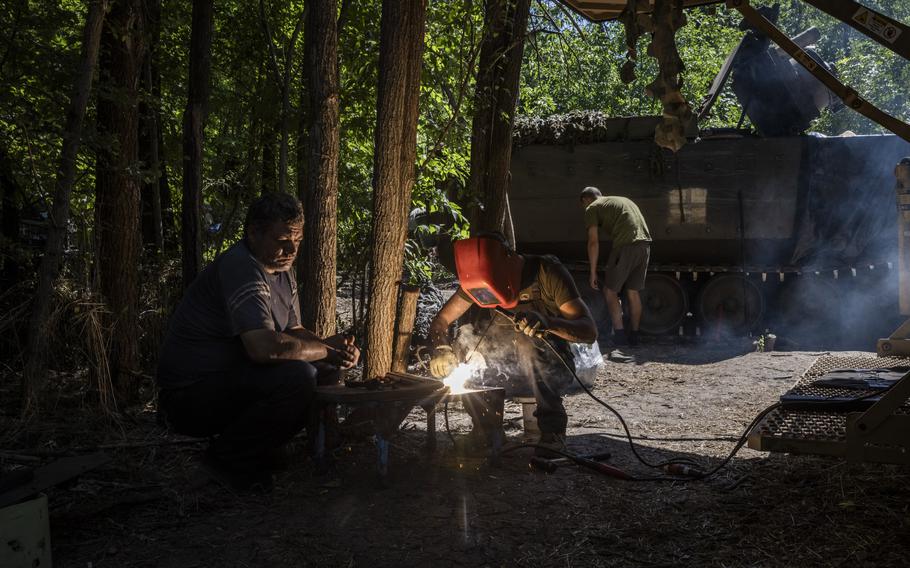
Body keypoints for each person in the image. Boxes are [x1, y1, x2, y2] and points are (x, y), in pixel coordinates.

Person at [156, 193, 359, 490]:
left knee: (323, 367)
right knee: (299, 376)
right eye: (282, 240)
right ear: (254, 233)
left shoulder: (281, 270)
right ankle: (225, 461)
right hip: (188, 397)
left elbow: (295, 331)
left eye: (298, 241)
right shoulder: (242, 267)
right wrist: (324, 350)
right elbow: (265, 348)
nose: (291, 249)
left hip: (231, 381)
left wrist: (333, 351)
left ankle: (301, 451)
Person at [428, 234, 597, 454]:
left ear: (508, 262)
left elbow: (589, 330)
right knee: (465, 344)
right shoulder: (478, 280)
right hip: (504, 370)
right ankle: (486, 427)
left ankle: (552, 432)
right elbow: (440, 322)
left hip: (551, 369)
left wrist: (548, 323)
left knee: (530, 342)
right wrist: (442, 348)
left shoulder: (547, 273)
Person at [580, 187, 651, 347]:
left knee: (610, 291)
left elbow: (593, 242)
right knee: (633, 292)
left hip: (625, 246)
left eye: (583, 205)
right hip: (644, 246)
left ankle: (619, 337)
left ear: (586, 200)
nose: (584, 209)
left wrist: (593, 272)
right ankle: (634, 337)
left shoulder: (592, 208)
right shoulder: (622, 200)